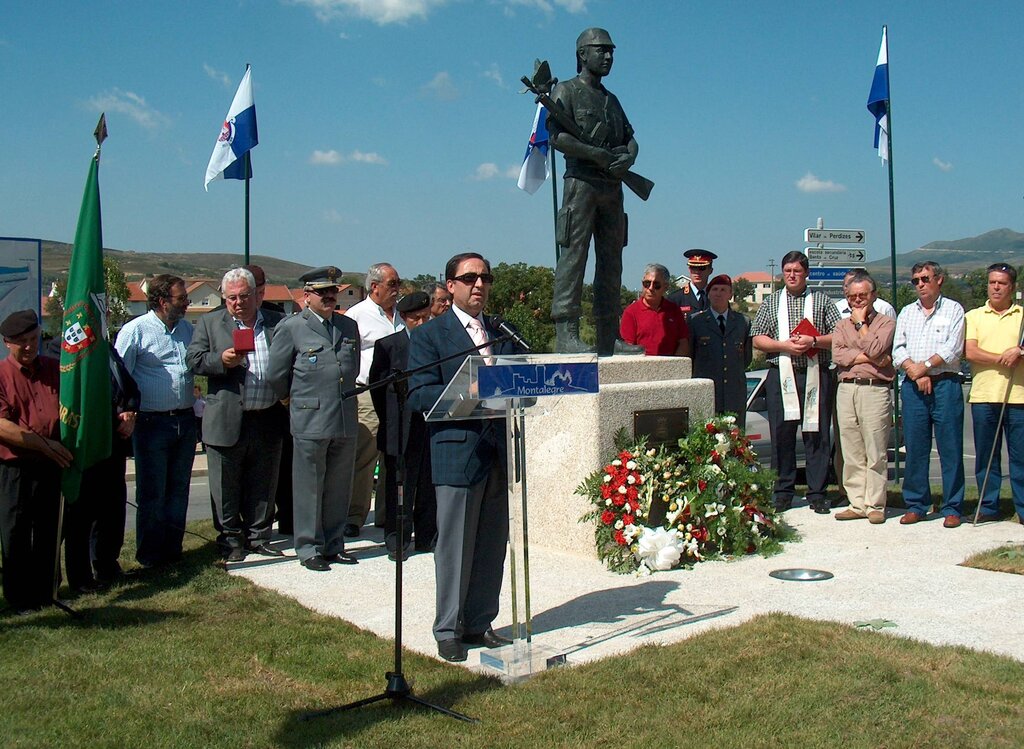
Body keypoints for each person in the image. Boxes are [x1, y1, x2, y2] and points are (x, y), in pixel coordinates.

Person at [408, 252, 516, 662]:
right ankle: (448, 628)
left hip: (497, 451)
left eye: (485, 277)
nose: (479, 285)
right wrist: (462, 392)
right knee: (454, 546)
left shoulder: (504, 332)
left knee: (491, 544)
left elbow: (521, 379)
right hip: (457, 451)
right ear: (450, 285)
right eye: (470, 277)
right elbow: (418, 394)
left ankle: (479, 621)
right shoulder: (430, 336)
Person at [548, 27, 641, 356]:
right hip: (581, 183)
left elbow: (630, 137)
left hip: (612, 186)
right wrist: (595, 154)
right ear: (582, 55)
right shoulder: (566, 91)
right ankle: (566, 331)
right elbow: (557, 137)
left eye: (611, 51)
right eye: (600, 50)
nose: (608, 57)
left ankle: (608, 334)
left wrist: (628, 157)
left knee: (612, 260)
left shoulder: (611, 100)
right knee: (573, 257)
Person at [186, 268, 285, 562]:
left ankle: (259, 536)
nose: (238, 302)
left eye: (244, 296)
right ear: (224, 298)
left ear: (257, 294)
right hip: (226, 417)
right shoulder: (209, 323)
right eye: (231, 298)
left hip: (267, 415)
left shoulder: (277, 322)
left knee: (264, 482)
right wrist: (221, 360)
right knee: (225, 485)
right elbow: (193, 359)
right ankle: (230, 540)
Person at [267, 266, 360, 571]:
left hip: (343, 417)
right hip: (309, 418)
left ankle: (334, 544)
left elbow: (352, 370)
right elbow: (277, 376)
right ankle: (308, 547)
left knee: (338, 485)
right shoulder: (292, 327)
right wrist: (291, 402)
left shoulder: (348, 327)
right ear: (306, 296)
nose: (330, 296)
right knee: (309, 486)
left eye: (333, 291)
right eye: (323, 292)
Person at [114, 274, 195, 567]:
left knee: (178, 489)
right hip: (150, 425)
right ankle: (150, 555)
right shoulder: (135, 331)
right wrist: (125, 412)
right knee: (152, 492)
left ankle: (173, 551)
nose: (187, 303)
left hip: (184, 422)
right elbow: (119, 378)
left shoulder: (188, 330)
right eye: (181, 298)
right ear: (162, 302)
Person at [752, 251, 841, 514]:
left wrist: (814, 341)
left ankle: (817, 493)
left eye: (797, 271)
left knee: (817, 434)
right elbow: (757, 337)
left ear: (806, 273)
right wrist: (784, 346)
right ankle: (783, 492)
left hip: (816, 374)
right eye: (788, 270)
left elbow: (839, 336)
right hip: (781, 374)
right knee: (782, 434)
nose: (792, 275)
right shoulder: (771, 302)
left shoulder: (821, 300)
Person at [0, 310, 72, 612]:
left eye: (33, 339)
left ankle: (46, 592)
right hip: (16, 465)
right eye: (21, 342)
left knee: (49, 529)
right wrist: (43, 444)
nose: (29, 347)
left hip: (52, 463)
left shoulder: (55, 369)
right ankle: (19, 599)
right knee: (15, 531)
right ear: (7, 343)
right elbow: (3, 425)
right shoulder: (2, 376)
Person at [893, 261, 966, 527]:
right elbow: (897, 350)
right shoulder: (906, 313)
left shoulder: (954, 310)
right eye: (916, 281)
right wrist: (915, 371)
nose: (920, 284)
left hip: (945, 384)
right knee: (915, 448)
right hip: (913, 388)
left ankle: (953, 507)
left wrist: (924, 367)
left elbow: (953, 349)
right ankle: (917, 504)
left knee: (950, 448)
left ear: (939, 280)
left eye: (925, 278)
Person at [369, 291, 437, 560]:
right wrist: (391, 420)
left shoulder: (435, 344)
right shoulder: (389, 346)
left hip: (428, 423)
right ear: (404, 318)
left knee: (427, 483)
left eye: (425, 318)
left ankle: (426, 536)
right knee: (400, 486)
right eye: (415, 319)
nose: (421, 324)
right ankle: (397, 539)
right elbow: (377, 387)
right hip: (401, 426)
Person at [64, 347, 140, 589]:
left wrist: (130, 411)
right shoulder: (64, 348)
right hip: (86, 444)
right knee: (82, 513)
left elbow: (128, 387)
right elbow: (76, 394)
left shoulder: (108, 349)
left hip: (114, 443)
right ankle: (81, 576)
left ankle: (106, 564)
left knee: (112, 507)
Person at [344, 263, 404, 537]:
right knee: (365, 456)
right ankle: (354, 516)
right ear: (374, 287)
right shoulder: (357, 315)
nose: (397, 289)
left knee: (392, 456)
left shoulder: (402, 315)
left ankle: (385, 515)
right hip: (369, 392)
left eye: (398, 284)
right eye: (392, 284)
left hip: (399, 393)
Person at [831, 271, 895, 524]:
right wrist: (873, 357)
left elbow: (878, 348)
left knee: (875, 449)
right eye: (853, 296)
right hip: (846, 388)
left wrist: (860, 326)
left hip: (874, 389)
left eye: (863, 296)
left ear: (873, 296)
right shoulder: (840, 325)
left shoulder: (885, 323)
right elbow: (839, 356)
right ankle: (856, 502)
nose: (858, 301)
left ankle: (875, 504)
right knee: (851, 448)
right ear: (847, 298)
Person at [964, 262, 1024, 524]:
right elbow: (971, 352)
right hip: (984, 396)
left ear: (1012, 287)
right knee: (987, 457)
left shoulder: (1022, 316)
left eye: (1001, 283)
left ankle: (1022, 507)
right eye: (992, 282)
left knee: (1020, 457)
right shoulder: (974, 316)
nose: (996, 287)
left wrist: (1019, 352)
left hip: (1018, 397)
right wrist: (1003, 357)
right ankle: (988, 505)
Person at [688, 274, 752, 427]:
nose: (718, 293)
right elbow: (690, 355)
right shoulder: (695, 321)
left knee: (736, 441)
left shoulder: (743, 322)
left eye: (723, 290)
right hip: (708, 392)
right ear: (708, 294)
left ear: (730, 294)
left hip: (734, 393)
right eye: (714, 289)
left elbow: (746, 357)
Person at [619, 263, 689, 356]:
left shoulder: (674, 310)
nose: (650, 288)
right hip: (642, 367)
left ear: (666, 287)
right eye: (647, 283)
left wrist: (674, 366)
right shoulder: (631, 312)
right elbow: (628, 348)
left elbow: (683, 342)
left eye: (656, 285)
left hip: (671, 366)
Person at [668, 249, 718, 316]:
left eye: (702, 268)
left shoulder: (718, 298)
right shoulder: (675, 299)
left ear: (710, 271)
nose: (697, 272)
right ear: (689, 269)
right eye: (693, 268)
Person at [192, 386, 206, 452]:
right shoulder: (191, 401)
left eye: (196, 392)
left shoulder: (203, 401)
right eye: (194, 392)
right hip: (194, 418)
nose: (195, 393)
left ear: (199, 392)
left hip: (202, 418)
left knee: (202, 432)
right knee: (196, 432)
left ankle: (204, 446)